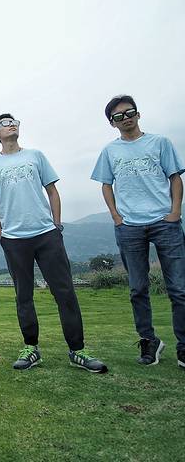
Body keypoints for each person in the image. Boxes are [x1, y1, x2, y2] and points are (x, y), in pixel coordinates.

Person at [0, 113, 107, 373]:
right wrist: (1, 234)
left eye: (14, 122)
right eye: (5, 124)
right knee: (23, 296)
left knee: (65, 292)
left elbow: (52, 191)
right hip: (14, 239)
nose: (11, 125)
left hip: (46, 234)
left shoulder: (35, 156)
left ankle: (78, 350)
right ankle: (31, 349)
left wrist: (56, 225)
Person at [91, 95, 185, 369]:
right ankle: (149, 341)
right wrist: (116, 217)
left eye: (129, 112)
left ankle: (183, 347)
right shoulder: (110, 151)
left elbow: (175, 177)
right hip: (129, 226)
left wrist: (175, 212)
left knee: (179, 289)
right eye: (118, 116)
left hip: (165, 222)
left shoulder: (160, 143)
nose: (126, 118)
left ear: (138, 114)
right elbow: (106, 184)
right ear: (112, 123)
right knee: (137, 289)